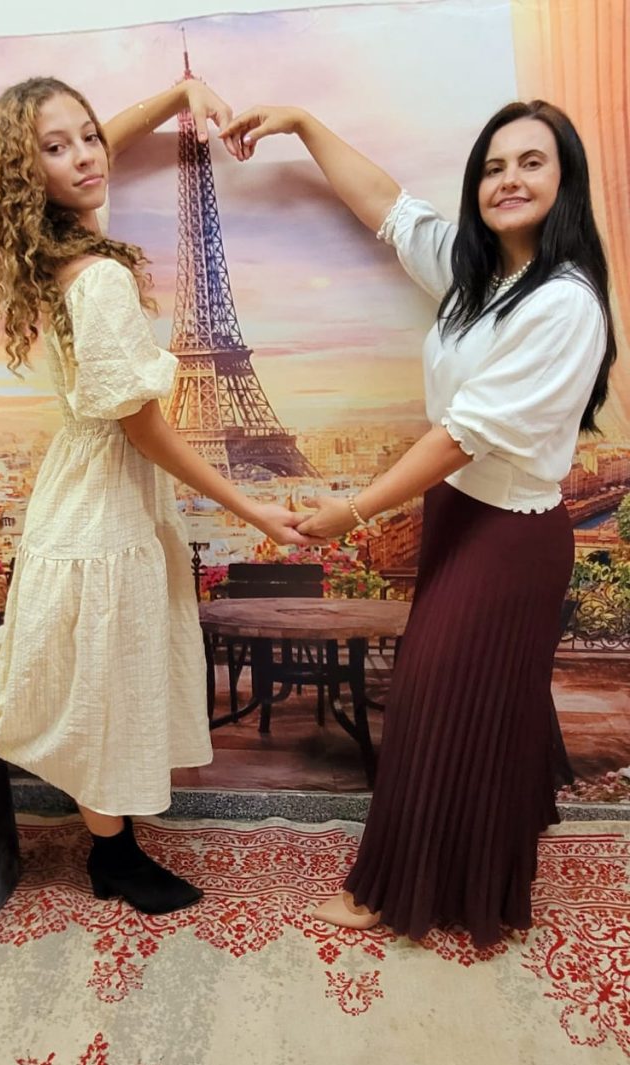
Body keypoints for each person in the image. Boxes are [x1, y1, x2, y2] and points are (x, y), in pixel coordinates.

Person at [0, 76, 311, 916]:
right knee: (102, 682)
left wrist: (178, 96)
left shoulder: (45, 246)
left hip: (79, 489)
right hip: (106, 505)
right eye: (55, 148)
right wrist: (253, 510)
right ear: (28, 172)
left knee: (79, 670)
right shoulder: (97, 277)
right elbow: (145, 429)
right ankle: (114, 856)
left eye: (89, 137)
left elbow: (96, 147)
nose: (87, 157)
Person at [221, 100, 616, 946]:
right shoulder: (481, 276)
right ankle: (481, 857)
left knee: (433, 700)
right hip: (458, 513)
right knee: (485, 702)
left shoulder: (565, 303)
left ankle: (390, 889)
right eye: (493, 166)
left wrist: (354, 509)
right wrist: (301, 123)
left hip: (508, 537)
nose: (509, 180)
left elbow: (463, 434)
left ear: (567, 180)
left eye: (532, 162)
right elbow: (387, 206)